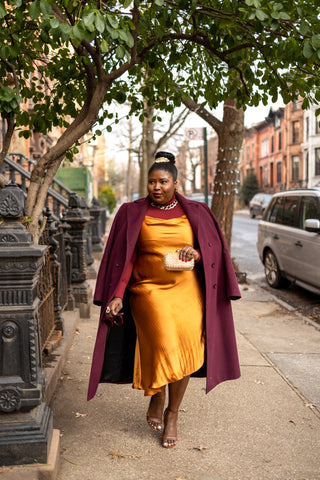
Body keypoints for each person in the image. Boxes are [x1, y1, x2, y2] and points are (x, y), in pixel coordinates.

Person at [88, 151, 241, 449]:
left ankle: (172, 413)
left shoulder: (196, 211)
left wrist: (195, 254)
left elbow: (209, 252)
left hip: (188, 291)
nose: (156, 187)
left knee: (185, 348)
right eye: (151, 182)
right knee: (161, 342)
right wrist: (118, 294)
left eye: (163, 181)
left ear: (175, 182)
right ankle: (157, 395)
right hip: (149, 291)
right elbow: (126, 259)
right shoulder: (132, 212)